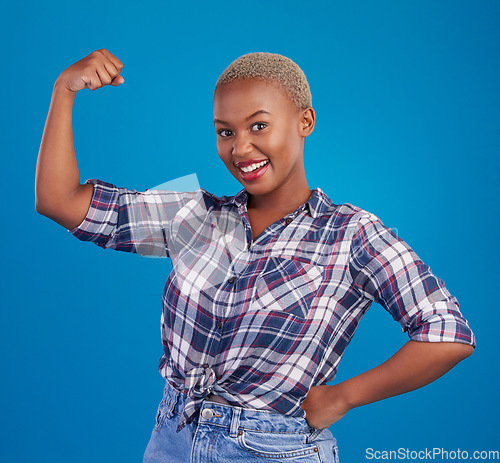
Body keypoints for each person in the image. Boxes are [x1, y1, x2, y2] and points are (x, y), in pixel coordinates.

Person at [35, 49, 475, 462]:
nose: (240, 148)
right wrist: (64, 90)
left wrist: (343, 397)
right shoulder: (192, 214)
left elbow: (448, 334)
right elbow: (60, 201)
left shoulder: (351, 234)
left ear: (305, 121)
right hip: (172, 437)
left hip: (272, 447)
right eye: (225, 131)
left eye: (258, 126)